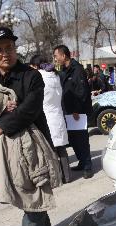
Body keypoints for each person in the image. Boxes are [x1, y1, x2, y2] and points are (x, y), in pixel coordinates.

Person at [0, 26, 55, 226]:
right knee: (22, 192)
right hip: (0, 146)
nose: (5, 53)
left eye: (9, 48)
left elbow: (30, 109)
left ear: (15, 49)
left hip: (32, 144)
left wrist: (1, 123)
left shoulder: (31, 76)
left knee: (33, 189)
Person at [29, 55, 71, 184]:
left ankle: (56, 177)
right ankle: (68, 176)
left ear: (36, 66)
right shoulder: (56, 75)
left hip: (46, 116)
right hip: (58, 114)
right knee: (61, 148)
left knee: (50, 150)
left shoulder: (39, 76)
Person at [53, 45, 93, 179]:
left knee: (81, 139)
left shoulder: (77, 70)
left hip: (78, 112)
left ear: (64, 56)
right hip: (68, 112)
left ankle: (88, 167)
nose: (55, 59)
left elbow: (82, 92)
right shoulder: (65, 70)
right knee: (74, 140)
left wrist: (76, 110)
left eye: (56, 56)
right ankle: (82, 162)